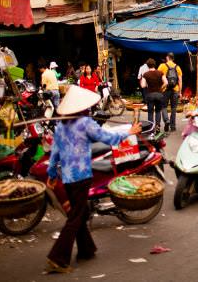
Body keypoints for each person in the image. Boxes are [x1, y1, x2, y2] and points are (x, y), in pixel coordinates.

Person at [46, 86, 143, 273]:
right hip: (82, 176)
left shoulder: (60, 126)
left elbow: (54, 154)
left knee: (79, 213)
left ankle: (86, 250)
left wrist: (51, 175)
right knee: (75, 217)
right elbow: (107, 138)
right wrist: (129, 132)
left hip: (66, 177)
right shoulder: (85, 123)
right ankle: (58, 258)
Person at [158, 53, 182, 133]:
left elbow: (158, 76)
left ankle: (166, 120)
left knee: (163, 106)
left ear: (167, 58)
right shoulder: (177, 67)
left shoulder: (162, 66)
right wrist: (180, 92)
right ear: (173, 58)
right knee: (173, 108)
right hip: (175, 89)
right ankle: (173, 126)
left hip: (165, 89)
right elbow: (180, 80)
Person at [140, 59, 167, 130]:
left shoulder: (146, 74)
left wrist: (146, 84)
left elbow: (143, 85)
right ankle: (157, 126)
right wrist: (161, 88)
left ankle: (150, 127)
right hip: (159, 94)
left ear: (148, 66)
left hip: (150, 95)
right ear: (154, 64)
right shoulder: (160, 73)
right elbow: (166, 82)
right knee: (158, 111)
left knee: (150, 112)